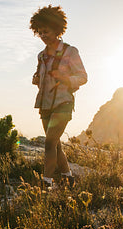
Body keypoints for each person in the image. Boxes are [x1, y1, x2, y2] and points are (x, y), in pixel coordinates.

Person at [30, 5, 87, 188]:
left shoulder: (71, 51)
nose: (43, 35)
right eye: (39, 32)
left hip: (64, 103)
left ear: (56, 29)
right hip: (44, 105)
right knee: (55, 145)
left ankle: (46, 183)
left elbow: (83, 77)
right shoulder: (41, 56)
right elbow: (41, 78)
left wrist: (66, 78)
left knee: (49, 143)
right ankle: (68, 177)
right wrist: (36, 79)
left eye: (45, 31)